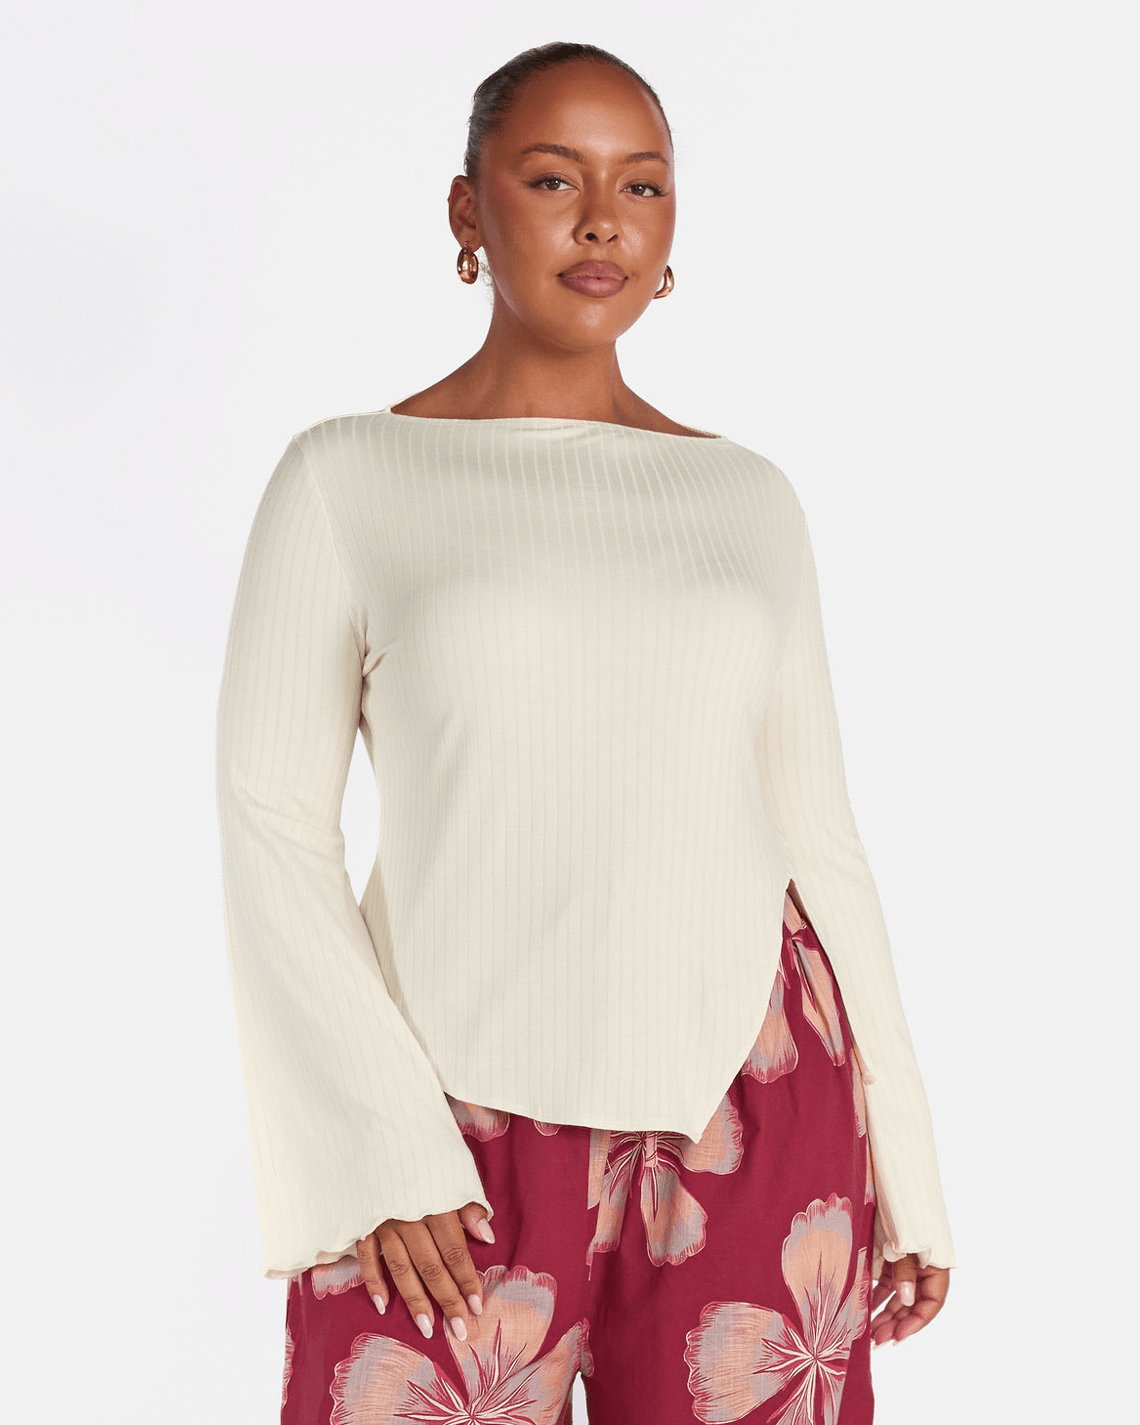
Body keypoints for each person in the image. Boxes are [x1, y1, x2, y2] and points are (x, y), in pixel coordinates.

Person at [215, 40, 955, 1424]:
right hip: (448, 1120)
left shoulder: (746, 499)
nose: (602, 220)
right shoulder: (347, 478)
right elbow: (271, 826)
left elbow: (818, 835)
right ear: (468, 208)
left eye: (642, 185)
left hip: (755, 1090)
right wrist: (374, 1140)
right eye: (553, 179)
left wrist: (905, 1156)